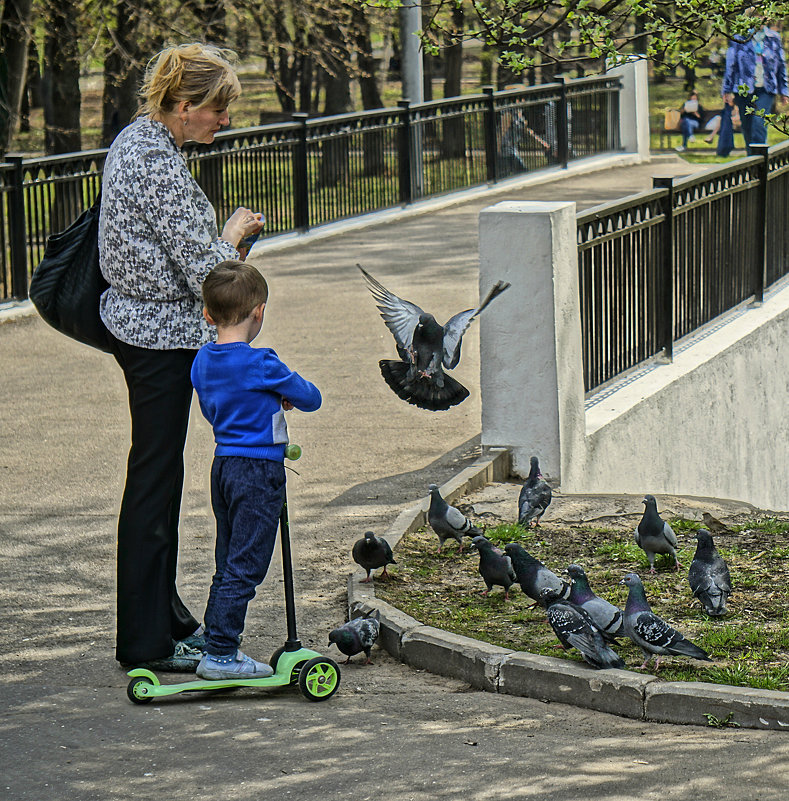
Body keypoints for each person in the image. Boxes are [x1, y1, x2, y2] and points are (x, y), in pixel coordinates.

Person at [99, 43, 265, 671]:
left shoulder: (137, 141)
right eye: (218, 109)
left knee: (156, 477)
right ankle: (144, 641)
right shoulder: (158, 163)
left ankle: (161, 618)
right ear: (185, 105)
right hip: (158, 340)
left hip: (146, 330)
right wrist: (231, 236)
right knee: (153, 483)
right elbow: (207, 275)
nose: (225, 121)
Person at [190, 261, 321, 679]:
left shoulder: (202, 361)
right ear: (259, 312)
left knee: (227, 559)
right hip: (258, 472)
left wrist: (261, 402)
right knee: (247, 565)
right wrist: (280, 391)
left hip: (224, 465)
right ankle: (222, 654)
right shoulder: (262, 363)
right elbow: (311, 397)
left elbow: (217, 406)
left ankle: (214, 639)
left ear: (208, 314)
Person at [721, 17, 789, 155]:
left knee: (759, 122)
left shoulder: (773, 37)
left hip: (766, 88)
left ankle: (759, 162)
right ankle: (751, 161)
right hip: (744, 89)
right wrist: (727, 90)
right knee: (747, 127)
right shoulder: (739, 37)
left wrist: (784, 90)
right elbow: (731, 65)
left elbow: (781, 65)